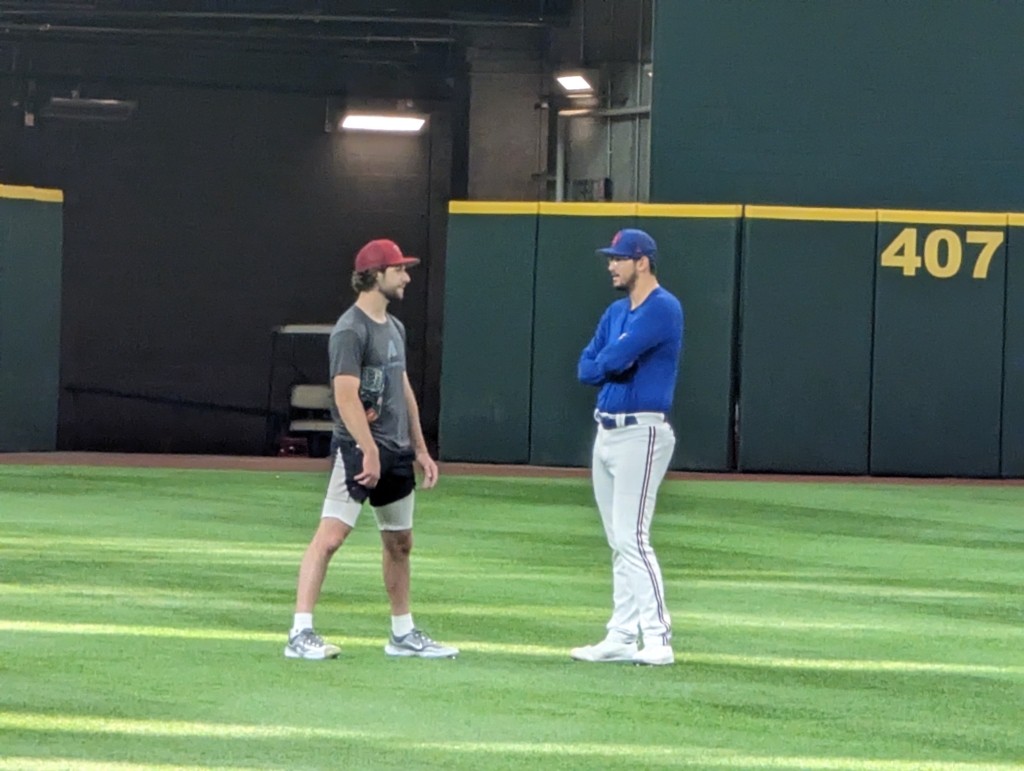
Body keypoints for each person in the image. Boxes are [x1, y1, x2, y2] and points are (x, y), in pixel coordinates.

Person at [285, 238, 458, 660]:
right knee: (330, 537)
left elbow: (402, 389)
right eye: (399, 269)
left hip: (395, 451)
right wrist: (368, 449)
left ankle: (402, 633)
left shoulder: (394, 328)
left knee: (400, 542)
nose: (407, 277)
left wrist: (419, 448)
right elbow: (344, 396)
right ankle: (300, 632)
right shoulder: (351, 329)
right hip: (359, 452)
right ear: (376, 275)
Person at [571, 228, 682, 667]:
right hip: (607, 431)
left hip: (643, 431)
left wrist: (611, 360)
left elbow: (613, 361)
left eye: (619, 258)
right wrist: (611, 360)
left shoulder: (663, 307)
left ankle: (657, 638)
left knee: (633, 538)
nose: (611, 265)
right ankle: (620, 634)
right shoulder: (616, 311)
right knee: (619, 540)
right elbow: (587, 367)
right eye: (611, 258)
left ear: (642, 261)